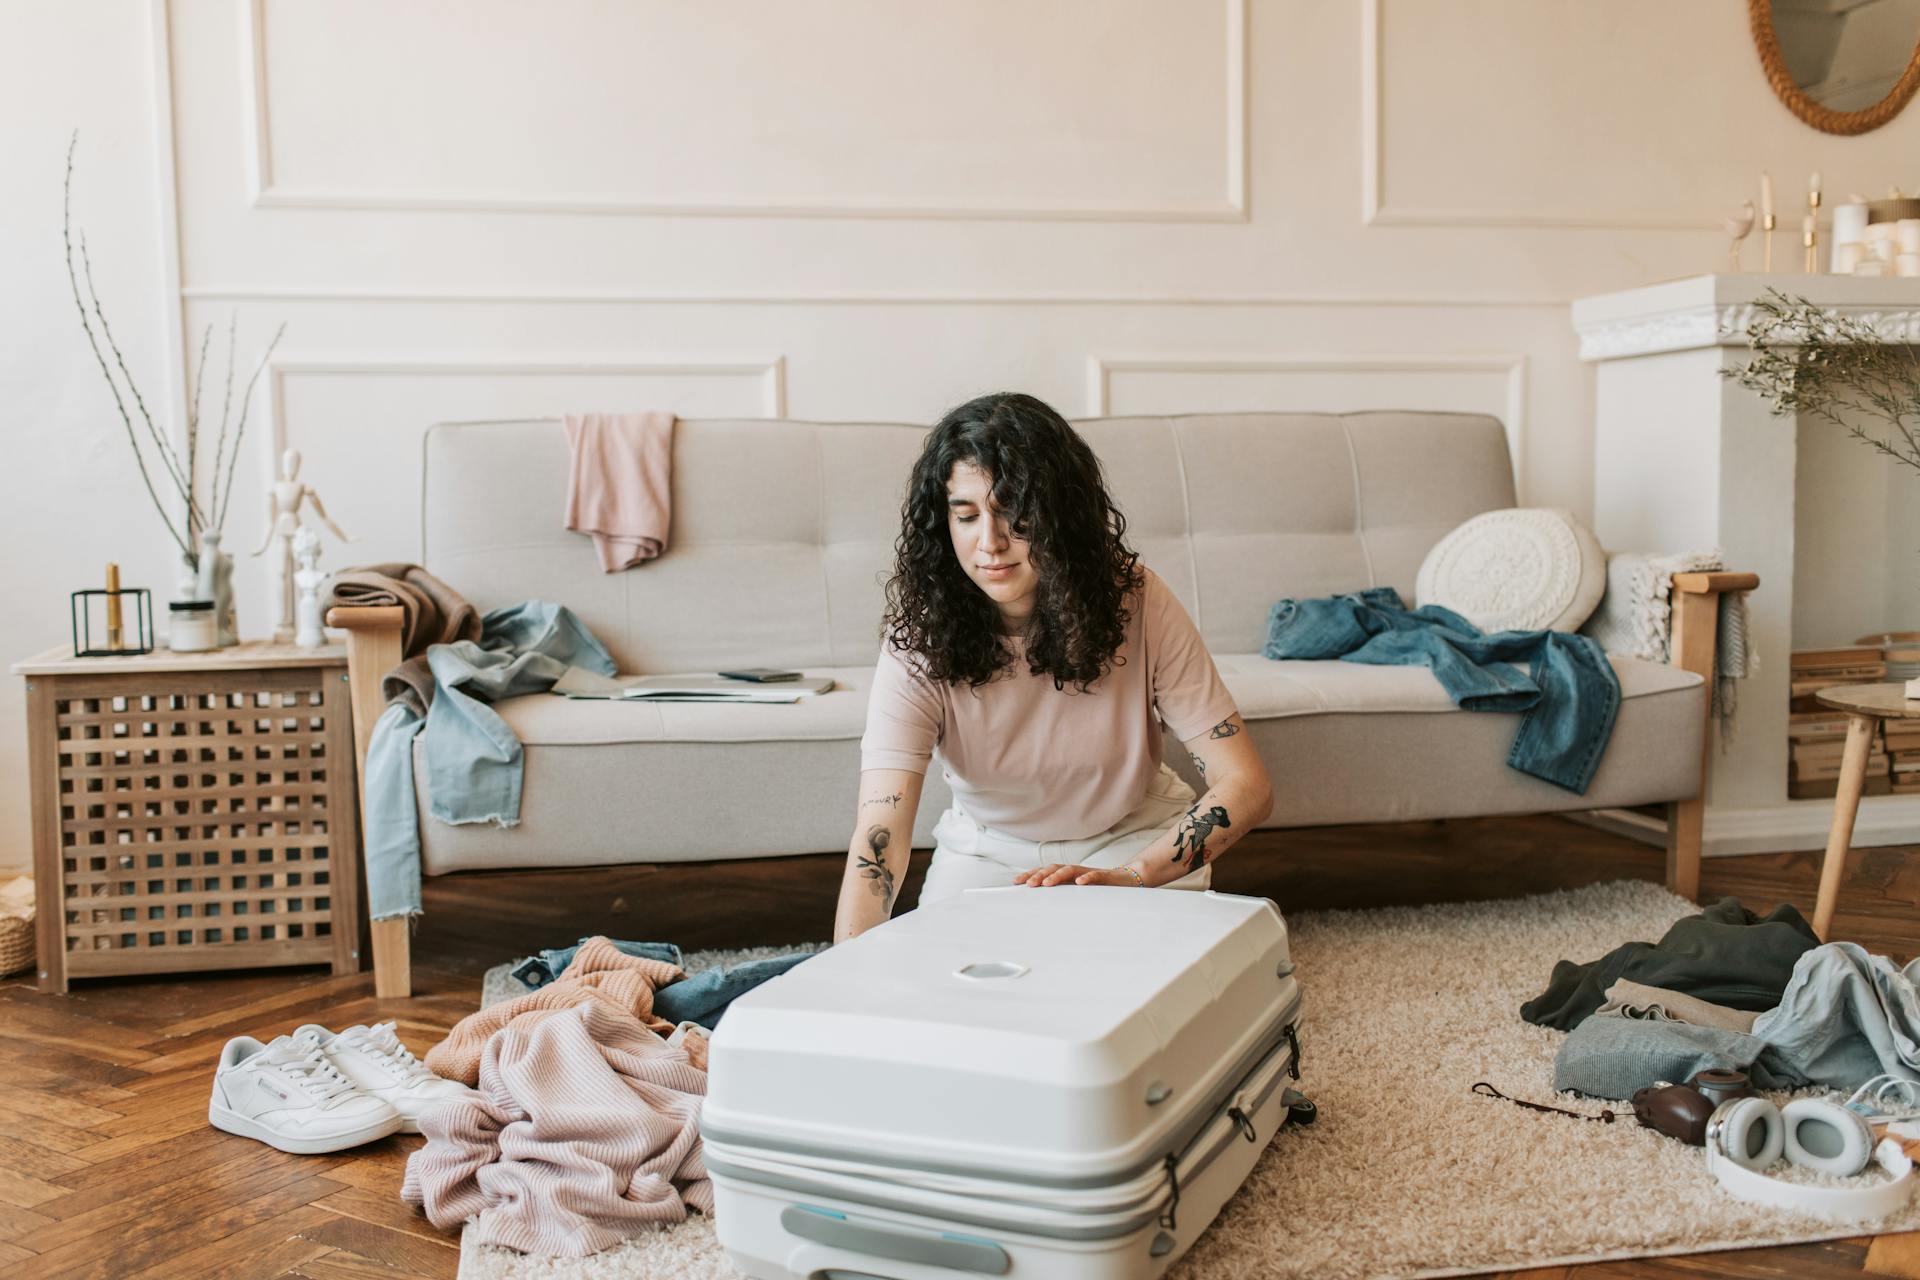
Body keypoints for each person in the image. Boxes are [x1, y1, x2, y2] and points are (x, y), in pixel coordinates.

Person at [832, 392, 1274, 944]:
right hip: (989, 848)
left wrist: (1131, 878)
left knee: (1131, 993)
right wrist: (843, 977)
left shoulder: (1136, 598)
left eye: (1014, 513)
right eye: (966, 516)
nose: (989, 543)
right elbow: (880, 836)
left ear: (1059, 514)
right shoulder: (919, 635)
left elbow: (1246, 784)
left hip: (1133, 836)